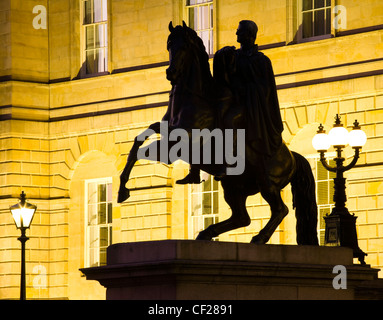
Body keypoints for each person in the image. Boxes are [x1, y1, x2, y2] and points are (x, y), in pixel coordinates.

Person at [176, 20, 283, 184]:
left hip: (250, 106)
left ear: (249, 35)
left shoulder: (261, 60)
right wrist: (221, 58)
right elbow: (223, 78)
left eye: (239, 31)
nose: (236, 34)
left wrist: (242, 88)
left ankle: (229, 161)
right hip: (231, 100)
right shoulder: (235, 56)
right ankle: (194, 170)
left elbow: (265, 89)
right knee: (201, 119)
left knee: (228, 119)